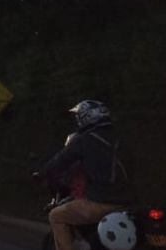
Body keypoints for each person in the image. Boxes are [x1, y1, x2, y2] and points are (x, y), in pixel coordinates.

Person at [40, 100, 132, 250]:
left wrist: (43, 172)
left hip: (100, 202)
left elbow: (60, 161)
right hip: (128, 202)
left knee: (56, 216)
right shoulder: (120, 137)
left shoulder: (85, 139)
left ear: (86, 118)